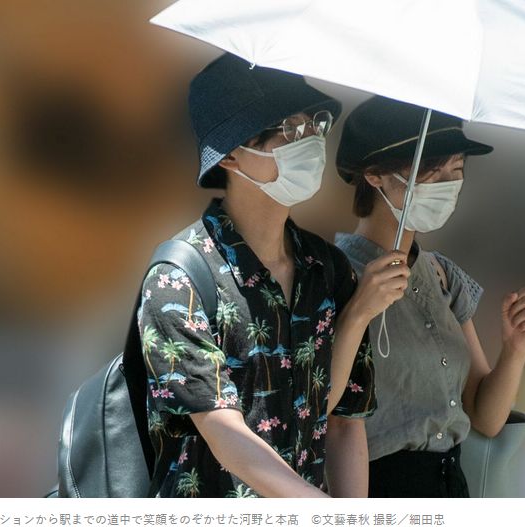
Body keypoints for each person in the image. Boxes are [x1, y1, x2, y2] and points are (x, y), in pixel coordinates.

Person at [138, 55, 410, 498]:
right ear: (230, 155)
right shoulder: (178, 277)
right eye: (290, 129)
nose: (313, 142)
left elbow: (336, 416)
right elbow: (224, 431)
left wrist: (358, 314)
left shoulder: (327, 268)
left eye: (316, 126)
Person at [334, 96, 525, 498]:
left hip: (451, 485)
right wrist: (358, 312)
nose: (448, 184)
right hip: (376, 487)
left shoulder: (442, 274)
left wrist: (516, 349)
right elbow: (323, 407)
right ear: (375, 175)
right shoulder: (332, 274)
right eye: (432, 171)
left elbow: (485, 417)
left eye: (457, 170)